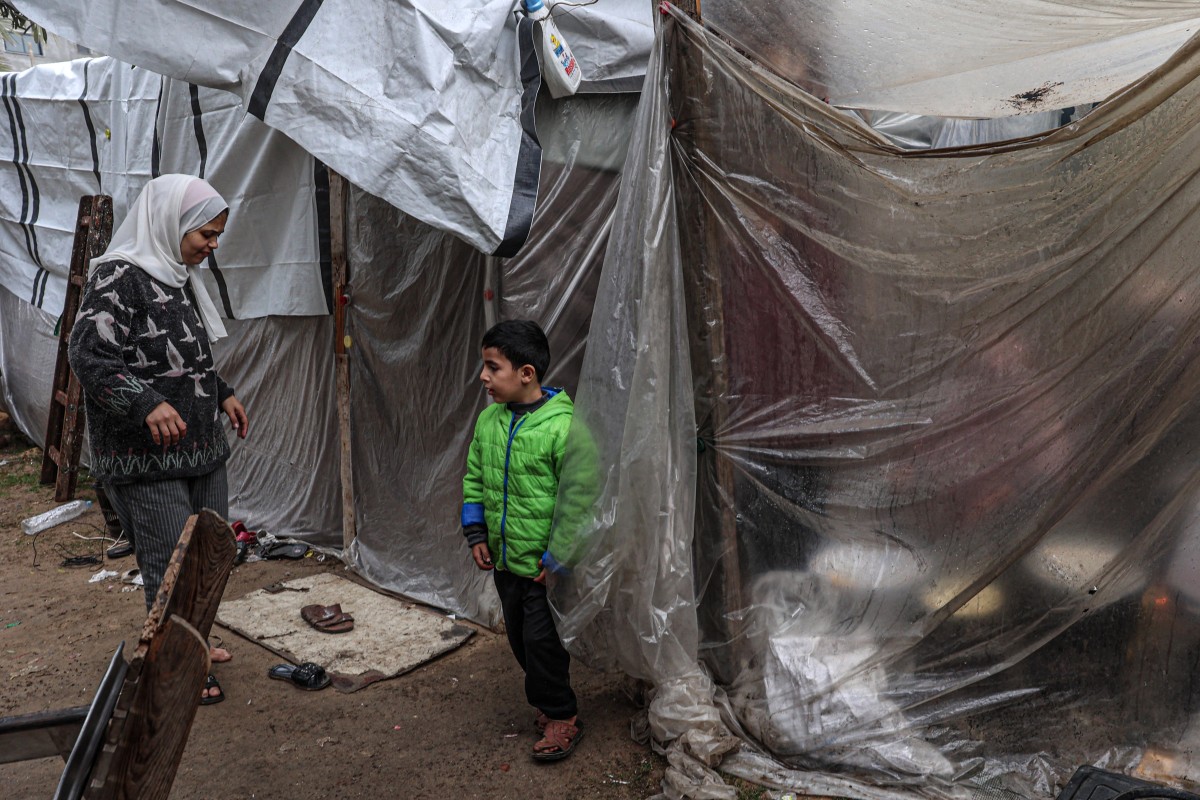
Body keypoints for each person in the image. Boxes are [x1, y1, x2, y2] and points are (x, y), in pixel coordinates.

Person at [68, 174, 249, 705]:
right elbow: (89, 357)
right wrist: (146, 404)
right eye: (206, 235)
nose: (212, 246)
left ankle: (192, 641)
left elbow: (184, 359)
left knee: (209, 554)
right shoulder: (117, 278)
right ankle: (174, 669)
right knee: (169, 562)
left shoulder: (175, 275)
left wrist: (222, 394)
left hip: (200, 450)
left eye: (217, 235)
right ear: (173, 224)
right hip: (145, 460)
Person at [462, 319, 583, 761]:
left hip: (542, 568)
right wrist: (476, 531)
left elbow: (579, 499)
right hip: (505, 562)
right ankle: (548, 701)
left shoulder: (563, 428)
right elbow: (475, 477)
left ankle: (562, 715)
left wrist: (558, 557)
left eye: (493, 367)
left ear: (526, 374)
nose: (483, 377)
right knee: (518, 636)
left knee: (541, 641)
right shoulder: (489, 422)